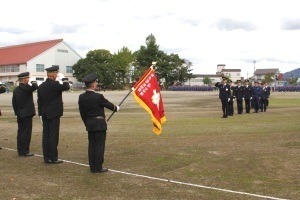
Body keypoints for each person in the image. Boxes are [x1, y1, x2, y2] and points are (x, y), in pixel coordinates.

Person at [78, 73, 120, 173]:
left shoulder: (81, 97)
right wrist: (116, 108)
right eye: (95, 82)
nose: (96, 84)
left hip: (89, 123)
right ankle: (98, 167)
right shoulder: (98, 96)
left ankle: (92, 166)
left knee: (92, 145)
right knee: (99, 146)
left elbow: (82, 113)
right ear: (92, 85)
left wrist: (87, 123)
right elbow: (109, 105)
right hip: (99, 124)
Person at [37, 66, 70, 164]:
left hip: (45, 113)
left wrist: (40, 114)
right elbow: (66, 87)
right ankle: (53, 157)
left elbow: (39, 101)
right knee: (53, 136)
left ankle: (46, 157)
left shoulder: (41, 86)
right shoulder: (54, 84)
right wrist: (64, 79)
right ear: (54, 74)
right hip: (54, 113)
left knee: (46, 135)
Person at [12, 72, 38, 156]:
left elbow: (14, 103)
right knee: (26, 133)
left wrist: (17, 112)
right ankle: (25, 151)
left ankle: (20, 150)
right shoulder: (27, 88)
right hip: (27, 113)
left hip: (20, 113)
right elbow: (35, 86)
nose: (29, 80)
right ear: (25, 79)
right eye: (28, 79)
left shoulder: (16, 90)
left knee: (20, 132)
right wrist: (34, 81)